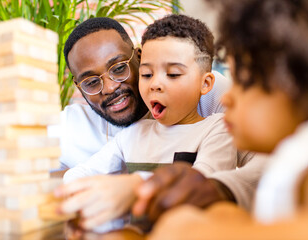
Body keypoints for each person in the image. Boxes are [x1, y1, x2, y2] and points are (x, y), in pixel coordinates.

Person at [143, 0, 308, 239]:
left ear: (299, 86)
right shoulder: (298, 157)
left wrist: (194, 231)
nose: (226, 98)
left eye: (242, 82)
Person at [55, 15, 266, 219]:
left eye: (119, 68)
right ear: (79, 87)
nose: (110, 88)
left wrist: (137, 187)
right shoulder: (83, 127)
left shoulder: (215, 105)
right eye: (91, 82)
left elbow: (257, 166)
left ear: (138, 57)